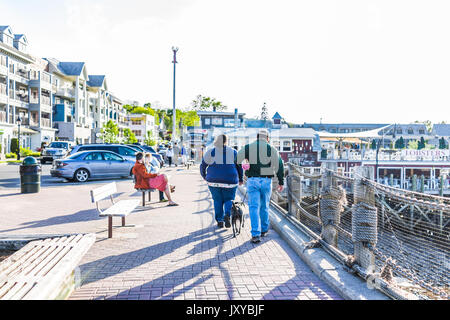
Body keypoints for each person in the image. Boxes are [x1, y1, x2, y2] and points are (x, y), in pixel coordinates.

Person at [237, 129, 284, 243]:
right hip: (266, 181)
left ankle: (255, 234)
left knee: (253, 207)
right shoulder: (271, 148)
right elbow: (279, 165)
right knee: (264, 206)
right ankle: (264, 229)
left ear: (257, 138)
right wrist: (281, 181)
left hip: (252, 181)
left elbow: (237, 159)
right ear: (267, 138)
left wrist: (244, 168)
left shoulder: (248, 147)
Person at [200, 134, 243, 229]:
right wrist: (241, 179)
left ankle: (219, 221)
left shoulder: (210, 152)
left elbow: (203, 165)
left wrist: (204, 176)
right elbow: (239, 167)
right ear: (226, 141)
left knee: (217, 200)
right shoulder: (233, 152)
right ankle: (227, 215)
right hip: (230, 181)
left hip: (213, 181)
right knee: (229, 199)